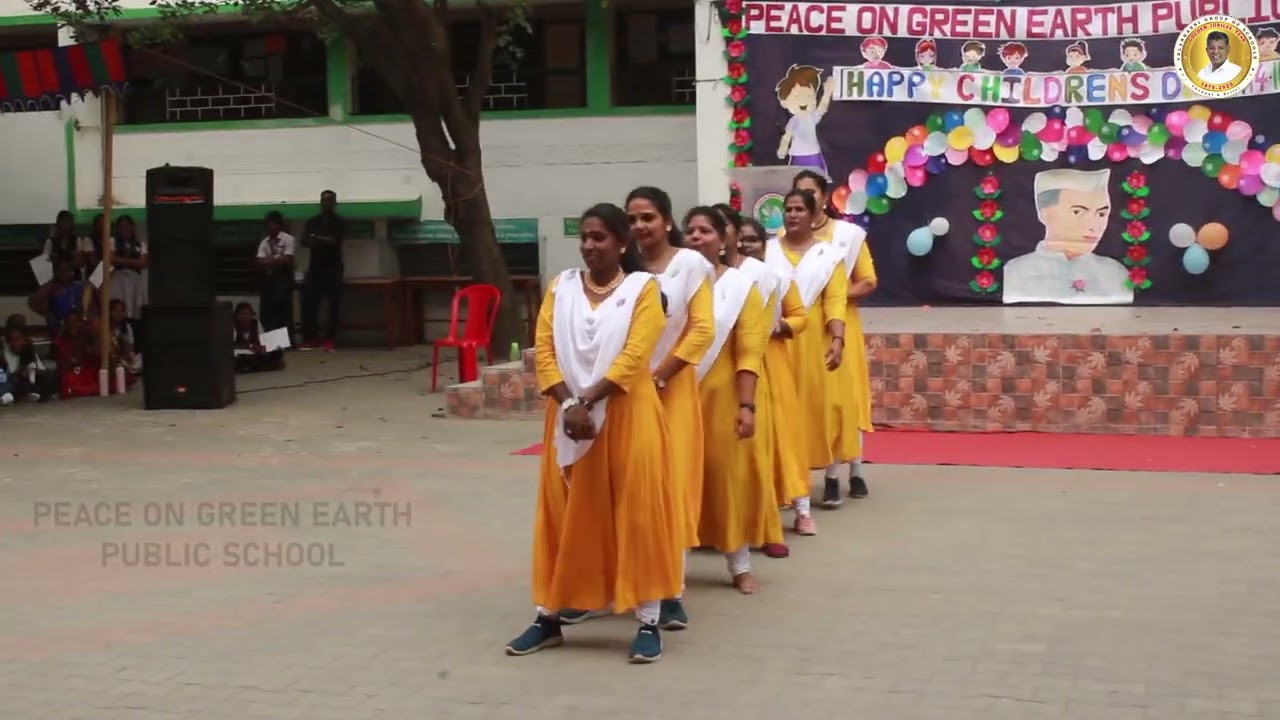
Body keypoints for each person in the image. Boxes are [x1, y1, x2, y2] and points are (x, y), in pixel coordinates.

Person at [504, 202, 682, 664]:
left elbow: (635, 355)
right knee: (564, 514)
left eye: (599, 237)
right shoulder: (560, 288)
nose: (588, 245)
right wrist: (568, 402)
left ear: (623, 243)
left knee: (636, 513)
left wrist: (588, 401)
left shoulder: (645, 290)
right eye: (584, 237)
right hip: (568, 422)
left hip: (627, 417)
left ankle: (647, 619)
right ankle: (549, 617)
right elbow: (543, 349)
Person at [684, 206, 772, 593]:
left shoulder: (739, 287)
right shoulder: (670, 283)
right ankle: (670, 567)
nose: (696, 237)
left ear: (725, 239)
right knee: (673, 481)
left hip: (721, 397)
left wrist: (746, 405)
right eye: (691, 231)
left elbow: (749, 350)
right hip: (675, 396)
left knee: (724, 478)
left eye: (705, 230)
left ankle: (739, 564)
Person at [735, 216, 816, 556]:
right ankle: (747, 520)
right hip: (739, 367)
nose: (744, 246)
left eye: (751, 240)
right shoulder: (725, 281)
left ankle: (802, 510)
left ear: (763, 244)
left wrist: (782, 325)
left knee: (784, 438)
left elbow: (801, 316)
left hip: (773, 363)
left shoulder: (778, 280)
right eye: (738, 240)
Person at [793, 170, 875, 502]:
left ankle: (851, 470)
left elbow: (867, 280)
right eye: (798, 194)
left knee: (843, 400)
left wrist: (834, 297)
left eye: (811, 193)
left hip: (839, 326)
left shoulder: (848, 236)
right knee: (808, 402)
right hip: (801, 331)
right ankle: (802, 476)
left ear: (824, 198)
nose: (804, 200)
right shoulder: (786, 236)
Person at [765, 190, 850, 506]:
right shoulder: (768, 251)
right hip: (775, 337)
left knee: (818, 408)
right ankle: (782, 481)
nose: (792, 214)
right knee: (779, 410)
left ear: (815, 215)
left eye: (800, 209)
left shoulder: (829, 256)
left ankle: (828, 476)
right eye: (788, 209)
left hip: (812, 338)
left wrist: (838, 339)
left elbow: (836, 301)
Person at [1003, 168, 1131, 305]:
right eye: (1077, 212)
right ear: (1044, 213)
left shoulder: (1114, 273)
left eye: (1101, 214)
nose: (1093, 225)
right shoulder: (1015, 272)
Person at [300, 190, 346, 350]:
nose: (326, 203)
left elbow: (335, 241)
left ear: (334, 203)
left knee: (333, 305)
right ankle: (311, 339)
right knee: (309, 302)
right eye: (323, 200)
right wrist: (315, 240)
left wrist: (317, 238)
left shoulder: (339, 221)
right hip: (315, 268)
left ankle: (330, 339)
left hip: (333, 268)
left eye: (329, 200)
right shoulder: (312, 221)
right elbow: (304, 240)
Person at [256, 211, 297, 334]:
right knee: (266, 311)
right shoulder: (264, 242)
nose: (270, 227)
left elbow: (288, 259)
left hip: (284, 277)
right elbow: (259, 261)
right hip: (268, 278)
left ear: (279, 225)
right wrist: (278, 258)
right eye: (268, 224)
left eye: (273, 224)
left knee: (281, 309)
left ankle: (286, 342)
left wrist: (270, 260)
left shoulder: (288, 239)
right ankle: (270, 340)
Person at [29, 259, 92, 336]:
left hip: (79, 328)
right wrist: (49, 315)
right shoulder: (51, 288)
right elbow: (32, 302)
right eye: (61, 270)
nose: (65, 273)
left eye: (67, 269)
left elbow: (89, 305)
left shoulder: (79, 286)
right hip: (59, 330)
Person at [108, 216, 149, 320]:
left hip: (134, 278)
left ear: (132, 227)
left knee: (135, 307)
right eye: (122, 227)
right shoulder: (112, 242)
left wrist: (121, 260)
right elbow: (111, 259)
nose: (125, 230)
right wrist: (134, 262)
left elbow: (143, 263)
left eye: (127, 227)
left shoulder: (141, 244)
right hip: (118, 278)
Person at [3, 325, 56, 402]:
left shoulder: (28, 351)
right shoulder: (4, 355)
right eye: (12, 340)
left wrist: (30, 370)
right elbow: (7, 376)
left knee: (49, 376)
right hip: (13, 383)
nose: (16, 342)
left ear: (24, 339)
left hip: (29, 381)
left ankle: (36, 394)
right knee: (14, 385)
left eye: (19, 338)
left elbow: (41, 370)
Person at [232, 302, 285, 373]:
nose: (245, 317)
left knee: (278, 351)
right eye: (242, 314)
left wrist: (262, 348)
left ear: (252, 315)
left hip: (255, 353)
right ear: (236, 316)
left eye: (248, 314)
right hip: (241, 354)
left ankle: (252, 366)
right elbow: (230, 345)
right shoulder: (233, 325)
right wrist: (249, 347)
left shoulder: (256, 323)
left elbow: (262, 340)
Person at [43, 210, 93, 280]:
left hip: (74, 276)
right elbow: (45, 262)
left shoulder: (77, 240)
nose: (65, 225)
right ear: (58, 223)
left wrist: (67, 266)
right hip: (55, 278)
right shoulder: (50, 241)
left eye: (68, 222)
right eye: (63, 222)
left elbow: (79, 261)